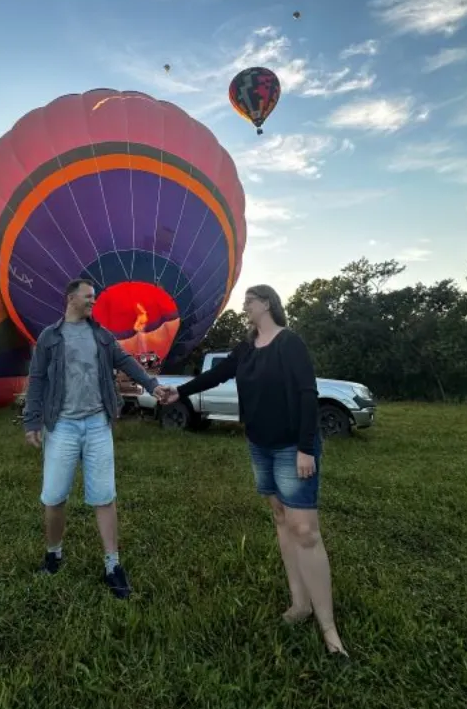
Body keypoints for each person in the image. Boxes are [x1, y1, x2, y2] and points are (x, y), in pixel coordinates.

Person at [156, 285, 349, 660]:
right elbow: (217, 376)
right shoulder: (246, 347)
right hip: (260, 445)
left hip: (293, 447)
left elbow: (307, 394)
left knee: (306, 530)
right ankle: (300, 604)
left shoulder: (289, 343)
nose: (243, 305)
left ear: (267, 304)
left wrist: (307, 447)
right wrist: (178, 393)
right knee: (280, 518)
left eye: (249, 300)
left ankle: (329, 628)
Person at [23, 278, 161, 599]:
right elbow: (38, 378)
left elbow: (126, 361)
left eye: (94, 298)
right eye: (88, 297)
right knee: (54, 496)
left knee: (104, 495)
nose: (92, 302)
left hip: (98, 423)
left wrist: (153, 386)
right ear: (71, 298)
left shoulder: (101, 335)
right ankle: (54, 554)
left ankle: (113, 565)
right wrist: (32, 420)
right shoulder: (50, 337)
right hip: (62, 426)